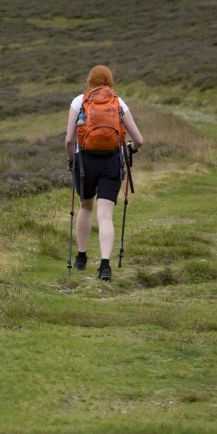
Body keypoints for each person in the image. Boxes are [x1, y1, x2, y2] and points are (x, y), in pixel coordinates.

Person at [64, 65, 143, 281]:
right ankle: (105, 265)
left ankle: (81, 258)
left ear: (89, 80)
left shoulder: (79, 101)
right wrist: (130, 149)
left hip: (85, 161)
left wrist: (72, 161)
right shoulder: (118, 102)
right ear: (109, 82)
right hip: (111, 161)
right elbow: (139, 140)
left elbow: (69, 140)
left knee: (85, 206)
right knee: (105, 214)